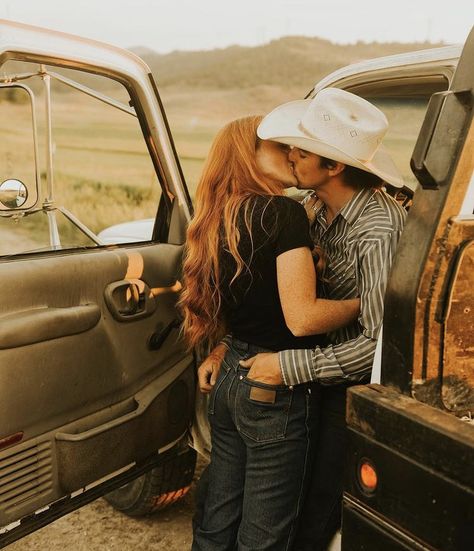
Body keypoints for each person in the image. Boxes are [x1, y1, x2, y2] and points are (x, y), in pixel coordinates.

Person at [179, 115, 360, 551]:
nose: (293, 154)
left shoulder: (216, 217)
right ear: (250, 153)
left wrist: (222, 348)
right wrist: (369, 303)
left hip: (230, 381)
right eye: (280, 146)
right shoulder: (282, 211)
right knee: (265, 533)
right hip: (274, 388)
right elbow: (302, 318)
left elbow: (251, 305)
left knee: (219, 515)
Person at [240, 88, 407, 550]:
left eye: (303, 149)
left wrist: (288, 366)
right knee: (287, 502)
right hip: (318, 379)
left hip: (347, 391)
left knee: (316, 510)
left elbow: (377, 346)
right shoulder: (315, 210)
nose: (290, 153)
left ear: (334, 167)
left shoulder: (377, 231)